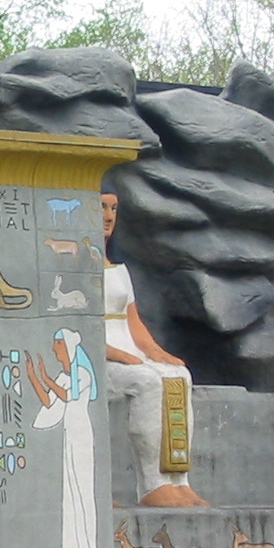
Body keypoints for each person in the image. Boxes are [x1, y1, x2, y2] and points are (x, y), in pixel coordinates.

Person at [101, 192, 207, 507]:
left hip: (129, 350)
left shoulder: (119, 270)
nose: (108, 216)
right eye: (101, 208)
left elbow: (133, 323)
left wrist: (156, 352)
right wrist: (116, 353)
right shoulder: (71, 268)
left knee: (179, 376)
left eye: (114, 208)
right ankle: (152, 486)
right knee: (148, 382)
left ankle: (178, 482)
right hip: (95, 355)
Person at [27, 329, 101, 548]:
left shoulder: (81, 374)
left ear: (67, 346)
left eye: (56, 344)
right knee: (70, 498)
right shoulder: (64, 376)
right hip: (69, 435)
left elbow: (70, 396)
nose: (53, 349)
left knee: (84, 496)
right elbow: (50, 403)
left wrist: (45, 376)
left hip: (82, 435)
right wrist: (34, 377)